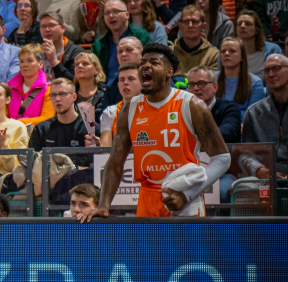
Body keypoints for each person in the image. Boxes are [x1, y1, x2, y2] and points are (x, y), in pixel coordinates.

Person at [80, 44, 230, 220]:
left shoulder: (191, 105)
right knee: (147, 248)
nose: (146, 66)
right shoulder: (130, 108)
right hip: (147, 198)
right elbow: (115, 162)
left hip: (182, 196)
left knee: (183, 249)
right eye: (143, 62)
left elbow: (222, 158)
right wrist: (104, 205)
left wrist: (188, 194)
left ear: (169, 71)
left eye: (154, 62)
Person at [241, 55, 288, 179]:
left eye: (276, 68)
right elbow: (246, 154)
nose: (271, 74)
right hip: (266, 175)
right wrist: (259, 170)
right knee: (241, 188)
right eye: (266, 71)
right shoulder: (253, 112)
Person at [93, 0, 152, 84]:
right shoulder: (98, 45)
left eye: (116, 11)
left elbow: (149, 65)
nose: (111, 15)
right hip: (106, 92)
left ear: (127, 15)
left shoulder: (141, 37)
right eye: (107, 13)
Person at [186, 66, 242, 146]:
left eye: (201, 83)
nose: (196, 88)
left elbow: (226, 133)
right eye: (191, 84)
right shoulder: (183, 110)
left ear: (215, 87)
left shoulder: (230, 108)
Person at [217, 37, 265, 120]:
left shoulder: (255, 82)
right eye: (223, 51)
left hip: (243, 129)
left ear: (242, 56)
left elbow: (254, 118)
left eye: (232, 51)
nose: (226, 54)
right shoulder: (211, 79)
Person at [7, 44, 54, 126]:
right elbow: (4, 116)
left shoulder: (49, 90)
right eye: (22, 61)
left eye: (30, 61)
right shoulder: (10, 89)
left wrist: (19, 123)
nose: (24, 65)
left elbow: (47, 118)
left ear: (40, 64)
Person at [96, 63, 141, 147]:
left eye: (131, 79)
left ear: (142, 83)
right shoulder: (110, 112)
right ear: (118, 85)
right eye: (122, 80)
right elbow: (106, 149)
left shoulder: (153, 108)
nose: (125, 83)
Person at [172, 5, 220, 75]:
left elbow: (211, 82)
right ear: (180, 26)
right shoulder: (169, 53)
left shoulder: (213, 55)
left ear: (203, 27)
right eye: (186, 21)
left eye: (195, 21)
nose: (190, 25)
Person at [38, 11, 83, 80]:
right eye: (43, 26)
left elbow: (76, 82)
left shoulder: (76, 52)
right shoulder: (36, 51)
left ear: (62, 28)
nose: (47, 29)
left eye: (51, 25)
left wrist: (54, 61)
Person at [236, 10, 282, 76]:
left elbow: (277, 79)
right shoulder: (227, 52)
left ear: (257, 29)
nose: (242, 26)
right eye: (239, 24)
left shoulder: (272, 50)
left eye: (248, 24)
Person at [74, 52, 108, 123]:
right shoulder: (69, 94)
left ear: (96, 70)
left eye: (85, 63)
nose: (80, 66)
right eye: (77, 64)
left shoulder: (106, 92)